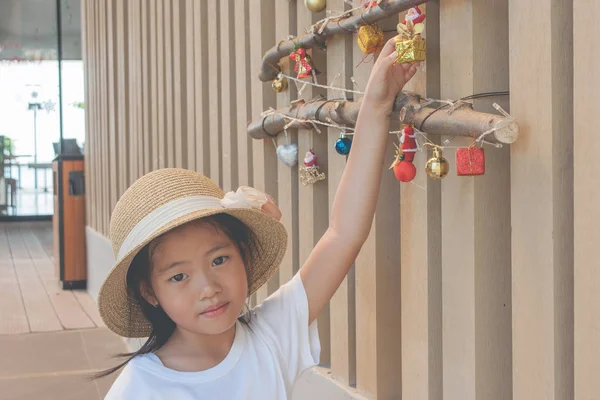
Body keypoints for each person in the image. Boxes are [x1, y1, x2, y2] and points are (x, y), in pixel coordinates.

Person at [98, 37, 419, 399]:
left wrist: (375, 105)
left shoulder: (271, 335)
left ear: (244, 256)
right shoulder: (140, 389)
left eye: (219, 259)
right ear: (149, 292)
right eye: (178, 276)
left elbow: (344, 233)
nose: (208, 287)